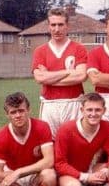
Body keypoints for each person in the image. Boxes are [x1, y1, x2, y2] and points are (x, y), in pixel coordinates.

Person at [32, 8, 88, 137]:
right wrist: (68, 72)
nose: (57, 29)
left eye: (60, 24)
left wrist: (49, 77)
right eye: (53, 25)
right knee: (49, 144)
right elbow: (40, 78)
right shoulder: (40, 50)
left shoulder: (79, 48)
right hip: (49, 104)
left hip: (74, 102)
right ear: (48, 26)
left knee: (75, 144)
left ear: (67, 26)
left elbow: (81, 75)